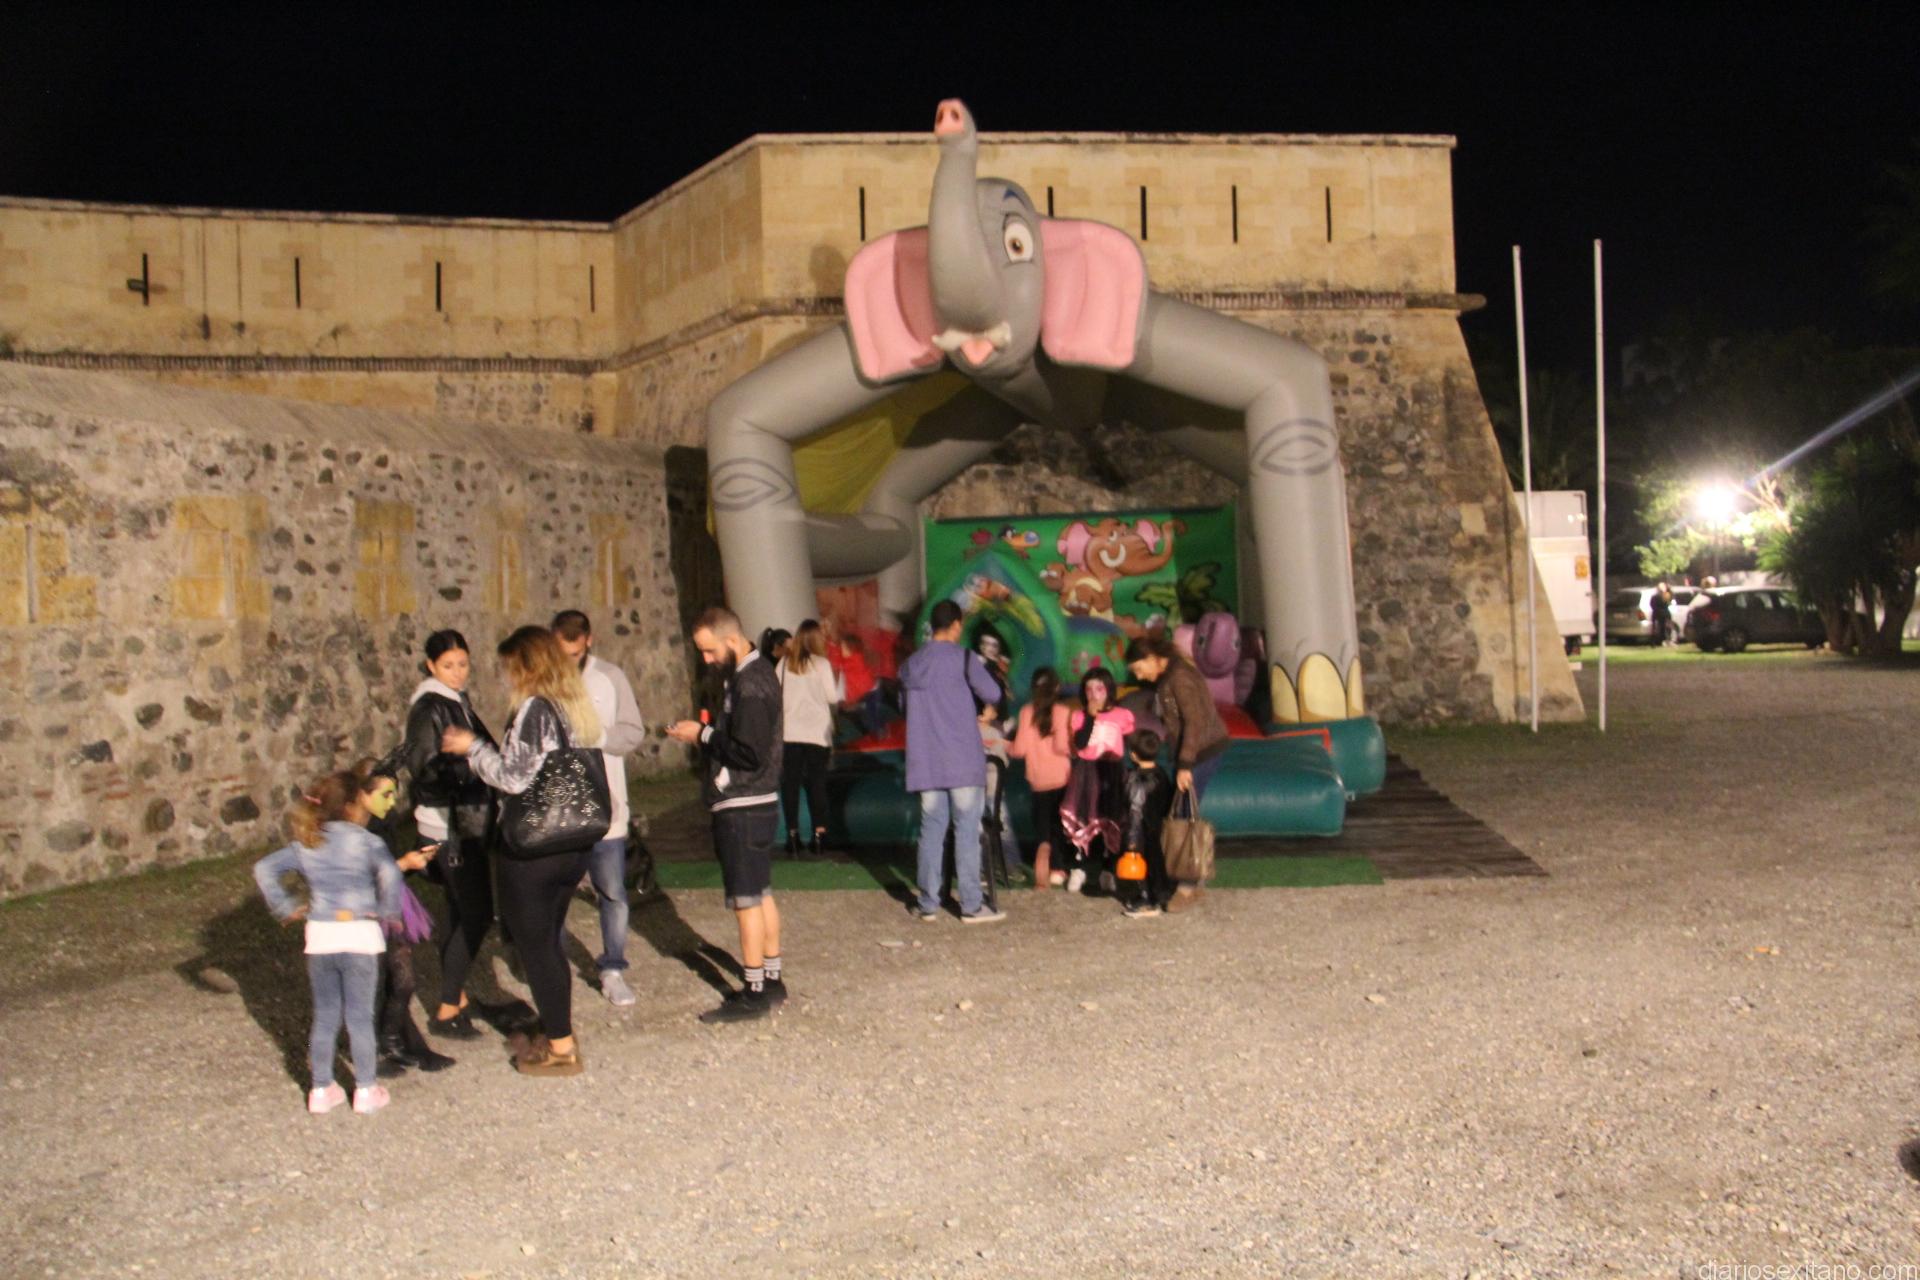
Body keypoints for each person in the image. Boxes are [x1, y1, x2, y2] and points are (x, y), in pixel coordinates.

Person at [441, 626, 602, 1076]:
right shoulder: (576, 706)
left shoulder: (535, 708)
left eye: (510, 667)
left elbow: (513, 777)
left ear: (526, 666)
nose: (506, 676)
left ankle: (561, 1047)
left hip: (534, 848)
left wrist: (473, 748)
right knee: (549, 941)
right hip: (573, 843)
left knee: (537, 948)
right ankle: (559, 1029)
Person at [252, 766, 414, 1115]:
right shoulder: (367, 841)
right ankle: (366, 1089)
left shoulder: (309, 841)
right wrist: (387, 910)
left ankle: (321, 1088)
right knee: (359, 1016)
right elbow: (390, 873)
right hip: (359, 935)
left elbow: (264, 869)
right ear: (353, 805)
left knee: (325, 1015)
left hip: (321, 936)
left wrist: (286, 907)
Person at [665, 606, 789, 1023]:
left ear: (732, 640)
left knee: (746, 901)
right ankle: (771, 978)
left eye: (710, 650)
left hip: (742, 805)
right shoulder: (752, 675)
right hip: (757, 801)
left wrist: (701, 734)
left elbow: (749, 752)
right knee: (761, 893)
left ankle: (754, 991)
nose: (706, 659)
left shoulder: (750, 682)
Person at [402, 629, 499, 1042]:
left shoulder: (456, 700)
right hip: (447, 825)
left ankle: (455, 997)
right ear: (431, 666)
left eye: (463, 664)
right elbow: (424, 768)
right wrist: (471, 765)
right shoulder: (430, 706)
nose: (458, 672)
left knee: (463, 911)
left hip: (465, 820)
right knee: (476, 913)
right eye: (448, 666)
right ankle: (445, 1008)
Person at [551, 609, 648, 1009]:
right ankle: (552, 967)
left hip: (606, 808)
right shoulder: (544, 679)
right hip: (559, 813)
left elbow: (633, 732)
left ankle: (613, 969)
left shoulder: (611, 677)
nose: (568, 662)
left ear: (588, 641)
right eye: (561, 654)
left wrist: (598, 736)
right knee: (554, 893)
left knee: (612, 892)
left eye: (574, 654)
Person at [898, 600, 1007, 923]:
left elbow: (904, 706)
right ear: (957, 625)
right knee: (966, 830)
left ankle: (928, 903)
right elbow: (993, 693)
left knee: (931, 830)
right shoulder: (964, 659)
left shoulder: (911, 664)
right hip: (961, 759)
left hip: (926, 762)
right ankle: (971, 904)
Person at [356, 756, 455, 1078]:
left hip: (392, 904)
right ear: (362, 794)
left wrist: (414, 863)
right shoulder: (350, 832)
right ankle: (378, 1049)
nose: (393, 802)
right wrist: (403, 864)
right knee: (373, 982)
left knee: (403, 980)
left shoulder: (382, 825)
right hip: (362, 912)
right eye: (385, 795)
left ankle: (393, 1039)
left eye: (394, 794)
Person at [1124, 634, 1229, 914]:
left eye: (1139, 669)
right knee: (1182, 810)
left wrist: (1185, 765)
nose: (1139, 676)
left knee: (1184, 815)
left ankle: (1186, 886)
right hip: (1196, 751)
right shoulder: (1172, 674)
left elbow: (1194, 722)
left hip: (1201, 751)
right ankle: (1189, 879)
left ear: (1151, 658)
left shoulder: (1179, 677)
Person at [1059, 667, 1133, 894]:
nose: (1093, 694)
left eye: (1099, 688)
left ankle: (1107, 870)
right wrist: (1091, 716)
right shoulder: (1079, 716)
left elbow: (1128, 744)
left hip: (1111, 771)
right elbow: (1080, 744)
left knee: (1110, 820)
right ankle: (1079, 867)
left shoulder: (1123, 715)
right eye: (1088, 689)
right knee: (1083, 818)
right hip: (1086, 772)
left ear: (1109, 690)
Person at [779, 619, 843, 857]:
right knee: (817, 784)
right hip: (817, 732)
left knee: (790, 785)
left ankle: (792, 835)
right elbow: (832, 697)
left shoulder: (784, 663)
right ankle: (819, 835)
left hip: (790, 732)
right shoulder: (822, 664)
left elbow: (776, 693)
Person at [1008, 666, 1072, 889]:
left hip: (1038, 779)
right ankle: (1058, 869)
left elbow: (1019, 750)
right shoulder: (1062, 711)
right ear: (1056, 687)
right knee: (1058, 824)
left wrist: (1005, 745)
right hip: (1061, 777)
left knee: (1043, 825)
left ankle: (1042, 852)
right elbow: (1062, 746)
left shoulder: (1026, 712)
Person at [1118, 729, 1175, 918]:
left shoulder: (1136, 780)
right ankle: (1160, 895)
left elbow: (1135, 811)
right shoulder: (1161, 774)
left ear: (1133, 755)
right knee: (1156, 862)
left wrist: (1131, 839)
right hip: (1156, 826)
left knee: (1141, 867)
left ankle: (1147, 900)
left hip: (1141, 830)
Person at [1650, 582, 1673, 646]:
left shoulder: (1655, 596)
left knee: (1656, 628)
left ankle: (1654, 642)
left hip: (1656, 613)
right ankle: (1662, 640)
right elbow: (1668, 603)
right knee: (1662, 628)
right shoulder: (1665, 596)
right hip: (1663, 613)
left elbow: (1652, 605)